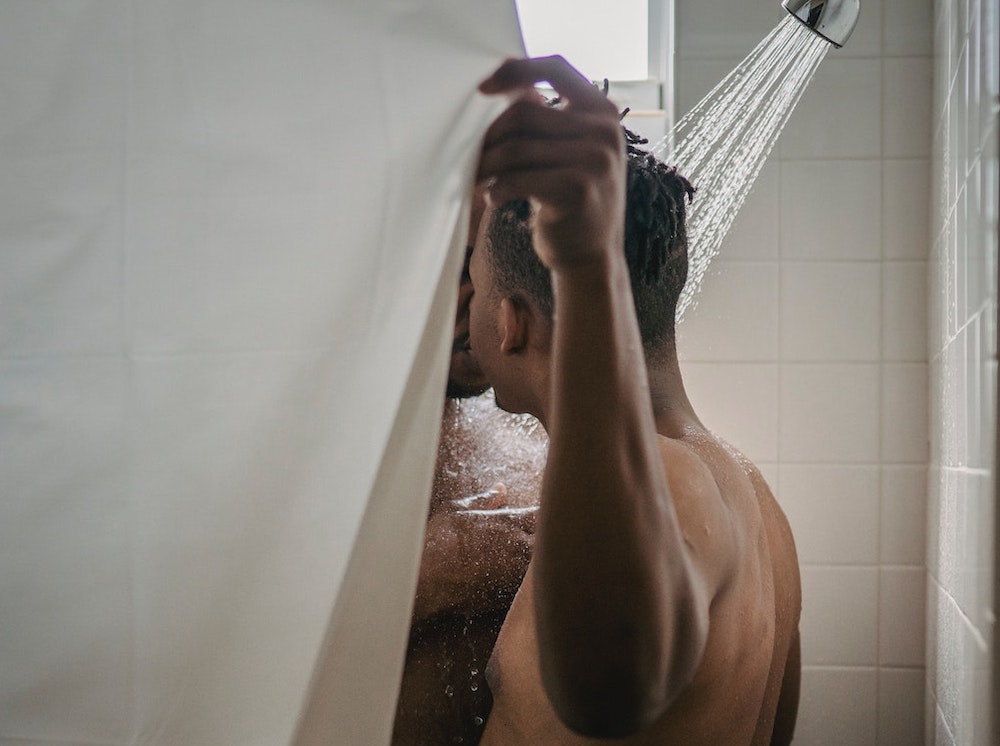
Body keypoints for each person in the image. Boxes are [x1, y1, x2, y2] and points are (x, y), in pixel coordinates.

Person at [464, 56, 802, 745]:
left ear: (513, 320)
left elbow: (607, 693)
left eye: (472, 275)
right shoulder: (756, 499)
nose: (463, 298)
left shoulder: (670, 483)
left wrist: (585, 267)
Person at [391, 191, 546, 746]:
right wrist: (425, 577)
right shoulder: (312, 465)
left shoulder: (531, 452)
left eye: (490, 271)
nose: (484, 298)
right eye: (456, 269)